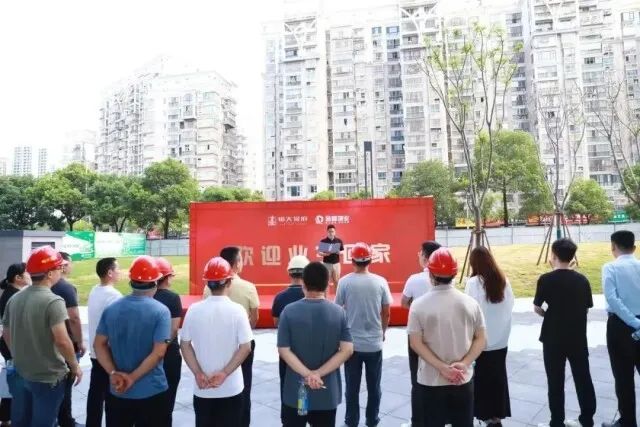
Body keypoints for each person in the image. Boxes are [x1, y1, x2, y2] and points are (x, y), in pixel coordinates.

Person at [2, 246, 83, 427]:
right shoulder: (53, 301)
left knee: (21, 419)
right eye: (59, 267)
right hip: (48, 377)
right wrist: (75, 365)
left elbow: (6, 332)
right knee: (43, 421)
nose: (61, 271)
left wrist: (17, 355)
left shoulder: (15, 298)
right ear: (49, 273)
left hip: (21, 371)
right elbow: (62, 341)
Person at [408, 247, 486, 427]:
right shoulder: (470, 303)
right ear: (455, 273)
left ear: (430, 274)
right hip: (462, 378)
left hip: (430, 380)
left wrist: (442, 368)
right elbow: (481, 339)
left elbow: (415, 343)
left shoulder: (418, 305)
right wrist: (464, 363)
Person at [94, 255, 171, 427]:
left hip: (119, 391)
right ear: (155, 283)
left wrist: (113, 374)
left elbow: (98, 345)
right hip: (152, 391)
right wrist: (132, 378)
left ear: (131, 282)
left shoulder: (112, 309)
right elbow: (159, 352)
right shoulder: (161, 311)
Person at [278, 261, 354, 426]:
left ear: (303, 284)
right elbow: (347, 350)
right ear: (327, 285)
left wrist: (308, 374)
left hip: (297, 391)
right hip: (326, 392)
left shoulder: (288, 311)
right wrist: (317, 374)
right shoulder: (339, 313)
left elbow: (284, 350)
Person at [180, 256, 253, 427]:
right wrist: (225, 373)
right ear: (229, 282)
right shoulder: (237, 311)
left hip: (202, 388)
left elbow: (184, 345)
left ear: (207, 283)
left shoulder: (194, 310)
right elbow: (246, 347)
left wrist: (198, 373)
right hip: (231, 387)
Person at [533, 238, 596, 427]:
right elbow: (586, 308)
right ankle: (587, 419)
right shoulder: (582, 280)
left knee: (555, 381)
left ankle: (557, 421)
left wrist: (549, 315)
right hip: (577, 337)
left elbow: (538, 308)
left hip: (552, 337)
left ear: (553, 255)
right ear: (572, 256)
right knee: (583, 378)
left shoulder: (545, 279)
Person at [335, 242, 391, 427]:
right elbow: (386, 312)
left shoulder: (344, 282)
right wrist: (382, 332)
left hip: (352, 346)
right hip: (374, 344)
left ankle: (351, 421)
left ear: (352, 261)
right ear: (370, 260)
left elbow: (338, 311)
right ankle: (372, 420)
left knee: (352, 387)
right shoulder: (380, 281)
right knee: (374, 387)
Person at [204, 246, 259, 427]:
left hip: (217, 341)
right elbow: (254, 318)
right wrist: (244, 332)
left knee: (217, 381)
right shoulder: (248, 287)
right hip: (243, 343)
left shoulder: (207, 288)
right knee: (244, 385)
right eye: (241, 259)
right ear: (236, 263)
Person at [465, 247, 514, 425]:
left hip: (481, 341)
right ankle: (497, 415)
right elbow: (510, 305)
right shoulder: (503, 280)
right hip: (501, 340)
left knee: (481, 379)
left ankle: (485, 415)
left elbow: (468, 310)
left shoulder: (473, 283)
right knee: (499, 377)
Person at [400, 240, 441, 427]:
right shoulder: (443, 277)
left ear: (425, 256)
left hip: (417, 334)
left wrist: (417, 309)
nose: (417, 254)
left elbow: (404, 303)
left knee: (416, 379)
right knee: (439, 375)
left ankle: (418, 421)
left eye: (420, 252)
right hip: (439, 333)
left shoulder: (414, 279)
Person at [601, 230, 640, 427]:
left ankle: (628, 422)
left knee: (623, 377)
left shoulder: (610, 268)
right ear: (634, 247)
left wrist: (634, 322)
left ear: (613, 247)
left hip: (619, 326)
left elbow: (612, 299)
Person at [272, 255, 310, 424]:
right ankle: (305, 411)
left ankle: (288, 417)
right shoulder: (312, 296)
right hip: (308, 350)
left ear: (289, 273)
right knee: (307, 383)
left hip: (287, 351)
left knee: (287, 385)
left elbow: (277, 324)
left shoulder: (280, 297)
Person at [85, 257, 123, 427]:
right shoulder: (114, 296)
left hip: (95, 353)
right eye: (117, 269)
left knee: (95, 394)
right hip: (108, 354)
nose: (120, 272)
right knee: (112, 398)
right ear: (109, 273)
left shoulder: (95, 290)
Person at [51, 251, 85, 427]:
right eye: (69, 263)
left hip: (49, 344)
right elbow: (74, 318)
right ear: (63, 266)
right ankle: (66, 421)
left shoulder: (43, 287)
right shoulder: (66, 288)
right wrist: (80, 342)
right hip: (65, 343)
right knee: (66, 386)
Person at [0, 263, 31, 427]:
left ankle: (5, 418)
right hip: (13, 349)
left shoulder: (12, 294)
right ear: (18, 278)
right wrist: (16, 354)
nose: (30, 276)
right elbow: (8, 330)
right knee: (15, 387)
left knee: (11, 384)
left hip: (11, 348)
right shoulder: (14, 297)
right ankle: (10, 419)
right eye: (27, 273)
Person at [154, 257, 183, 426]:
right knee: (167, 402)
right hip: (169, 353)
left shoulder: (145, 296)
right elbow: (173, 329)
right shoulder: (173, 298)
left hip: (147, 353)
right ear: (165, 277)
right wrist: (162, 348)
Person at [318, 224, 345, 288]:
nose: (331, 233)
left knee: (337, 282)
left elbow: (343, 251)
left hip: (336, 264)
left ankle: (337, 295)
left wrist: (339, 252)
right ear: (327, 232)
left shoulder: (339, 241)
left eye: (332, 231)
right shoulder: (323, 241)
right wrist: (325, 254)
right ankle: (325, 295)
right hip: (326, 264)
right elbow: (319, 252)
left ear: (335, 232)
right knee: (325, 282)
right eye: (329, 231)